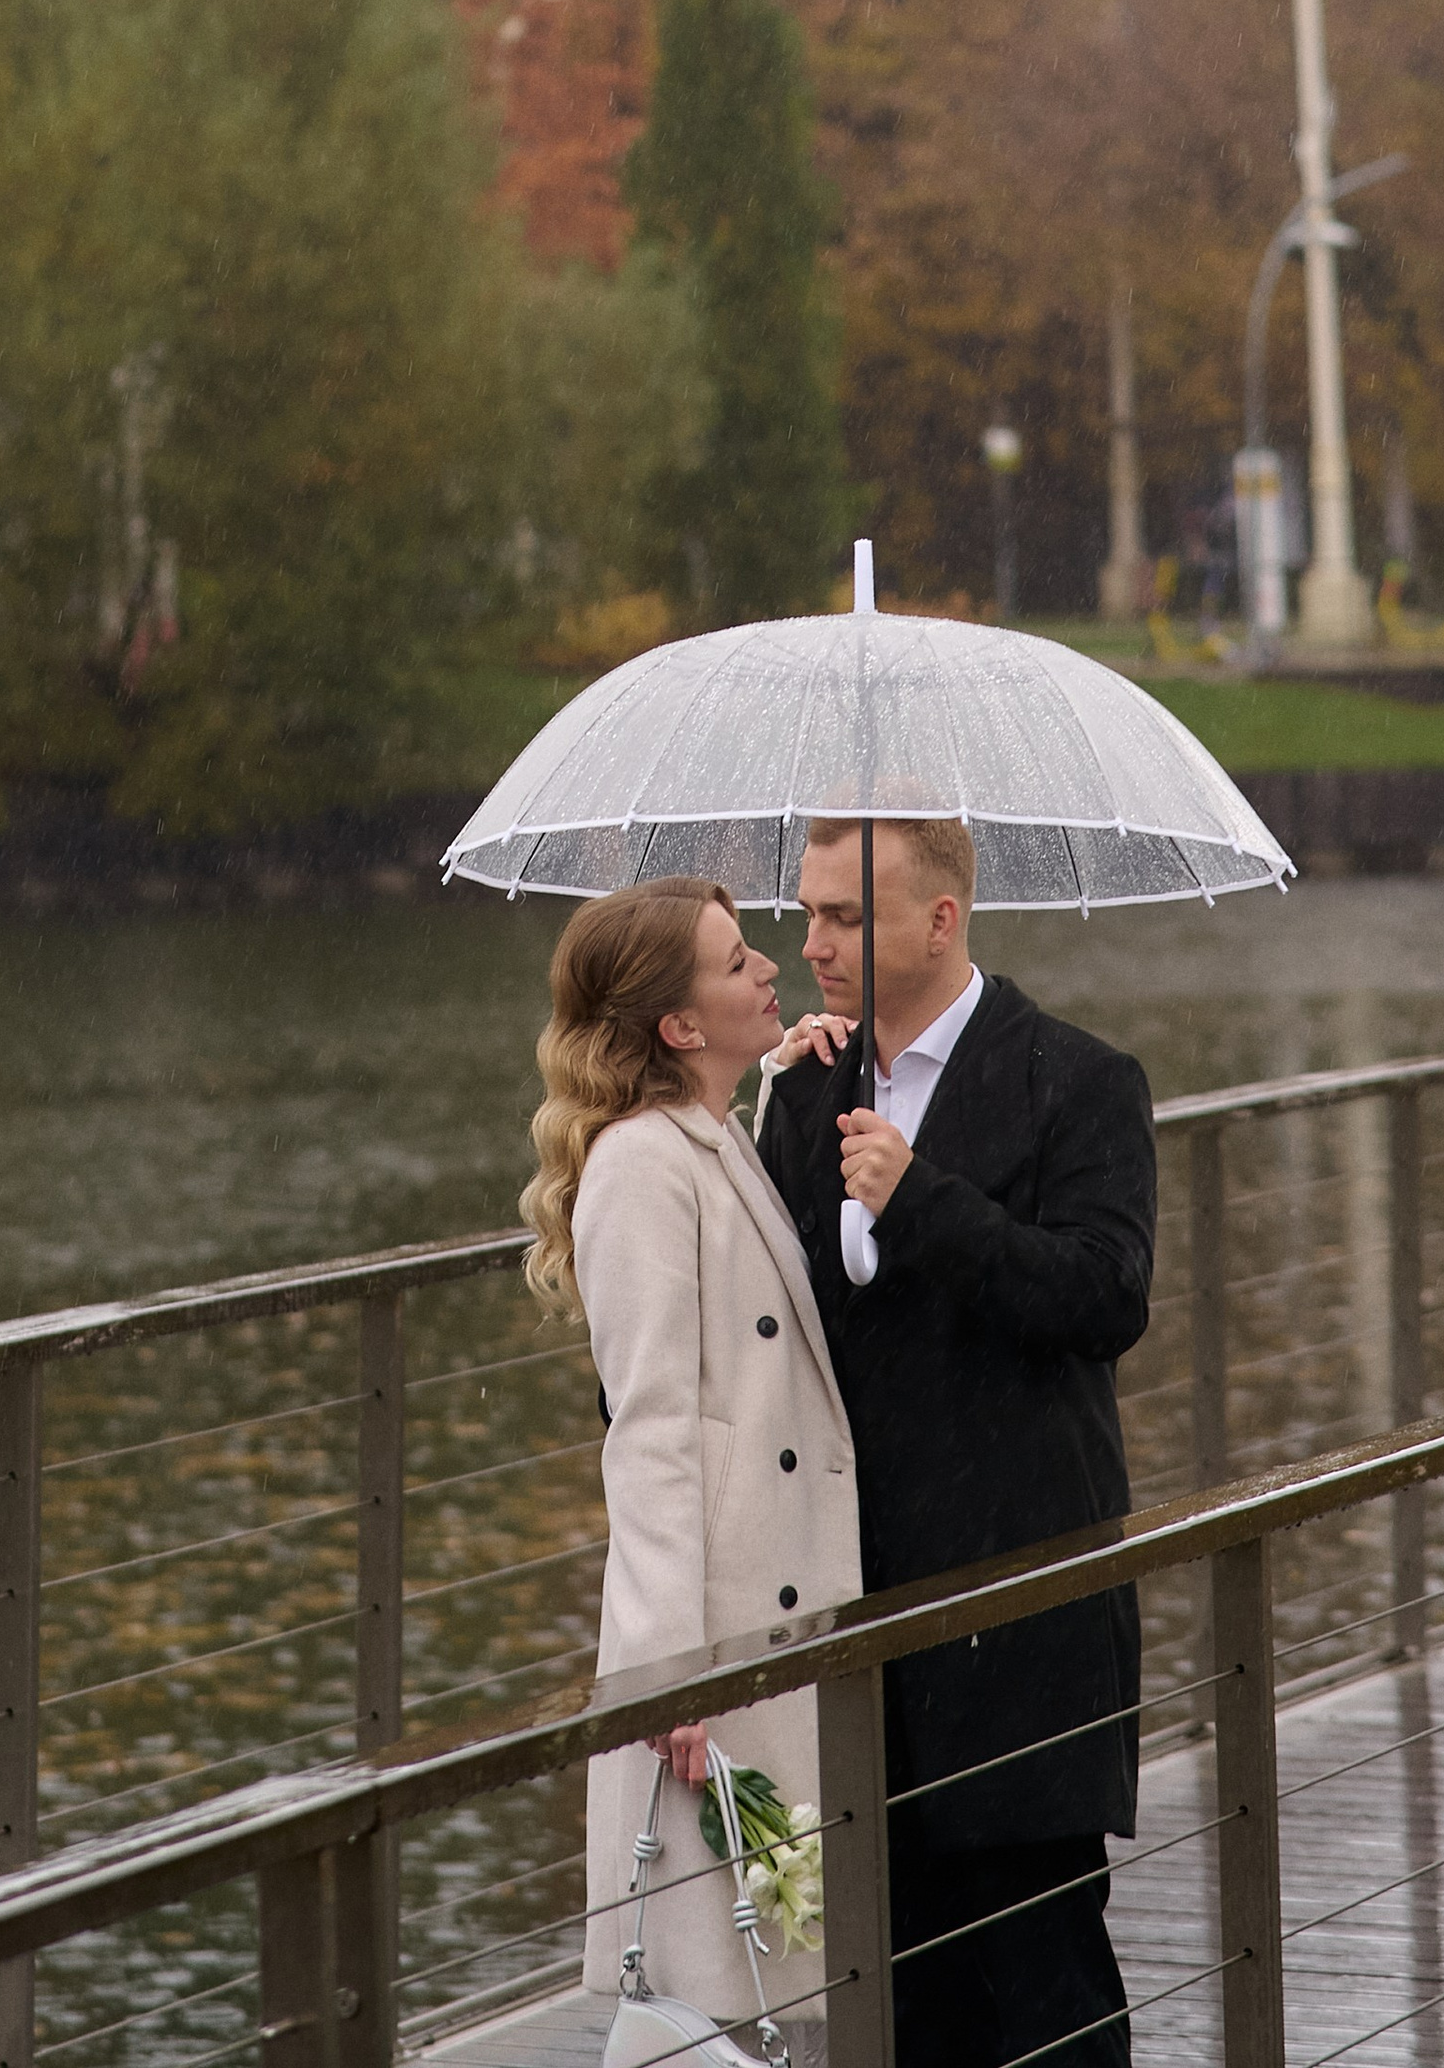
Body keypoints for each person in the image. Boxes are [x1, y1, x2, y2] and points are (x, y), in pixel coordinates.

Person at [754, 816, 1155, 2068]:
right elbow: (773, 1331)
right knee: (900, 2004)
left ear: (940, 919)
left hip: (1020, 1611)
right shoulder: (806, 1089)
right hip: (858, 1615)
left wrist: (920, 1195)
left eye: (846, 916)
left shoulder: (1078, 1078)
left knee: (1047, 1991)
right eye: (808, 912)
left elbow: (1104, 1295)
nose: (813, 942)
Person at [521, 876, 863, 2050]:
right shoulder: (637, 1164)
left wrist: (787, 1085)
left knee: (771, 1974)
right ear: (676, 1023)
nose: (769, 966)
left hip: (766, 1617)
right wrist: (672, 1672)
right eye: (733, 960)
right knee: (722, 1993)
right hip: (711, 1646)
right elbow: (653, 1425)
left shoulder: (711, 1138)